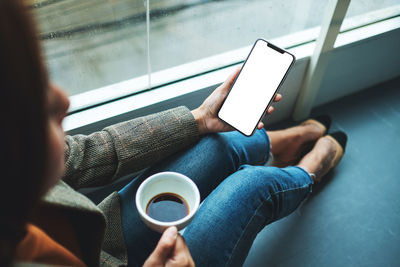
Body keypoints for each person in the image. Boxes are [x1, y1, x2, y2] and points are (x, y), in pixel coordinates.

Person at [0, 1, 347, 266]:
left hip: (101, 238)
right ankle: (310, 171)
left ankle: (275, 143)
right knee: (251, 186)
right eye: (29, 97)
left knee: (219, 142)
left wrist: (199, 118)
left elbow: (87, 153)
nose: (63, 99)